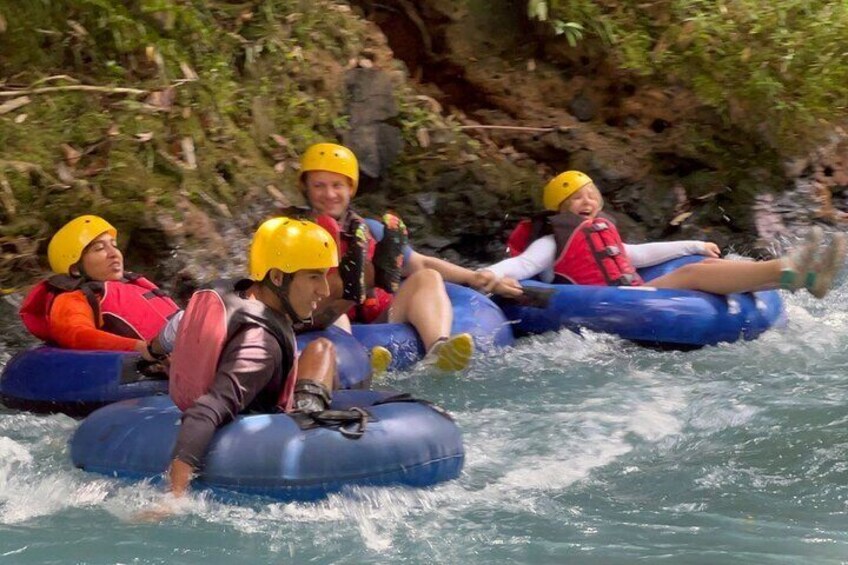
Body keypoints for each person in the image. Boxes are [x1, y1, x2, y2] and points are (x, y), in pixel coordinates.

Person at [294, 142, 522, 371]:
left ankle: (440, 350)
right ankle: (356, 363)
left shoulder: (370, 229)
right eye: (319, 186)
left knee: (428, 277)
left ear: (350, 188)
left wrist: (474, 277)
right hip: (330, 316)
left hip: (379, 316)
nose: (329, 194)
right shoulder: (294, 232)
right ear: (306, 187)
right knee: (336, 312)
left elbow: (419, 263)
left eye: (337, 185)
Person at [165, 217, 339, 497]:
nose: (325, 290)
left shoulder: (235, 292)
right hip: (256, 436)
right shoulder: (261, 346)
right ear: (278, 278)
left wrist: (151, 351)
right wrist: (174, 497)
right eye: (314, 276)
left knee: (322, 349)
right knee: (323, 351)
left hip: (232, 394)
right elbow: (208, 409)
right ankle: (310, 409)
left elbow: (174, 329)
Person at [484, 170, 847, 297]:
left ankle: (801, 276)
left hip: (628, 292)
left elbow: (636, 256)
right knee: (693, 274)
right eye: (575, 198)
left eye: (591, 194)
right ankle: (792, 267)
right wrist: (487, 275)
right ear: (558, 211)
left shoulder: (601, 233)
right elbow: (522, 266)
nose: (586, 201)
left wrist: (692, 243)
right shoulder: (552, 241)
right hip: (607, 300)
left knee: (700, 262)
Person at [19, 214, 180, 361]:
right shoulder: (72, 298)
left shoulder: (131, 283)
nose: (114, 254)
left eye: (114, 245)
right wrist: (140, 347)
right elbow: (76, 335)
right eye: (99, 248)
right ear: (75, 268)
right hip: (159, 363)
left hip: (184, 349)